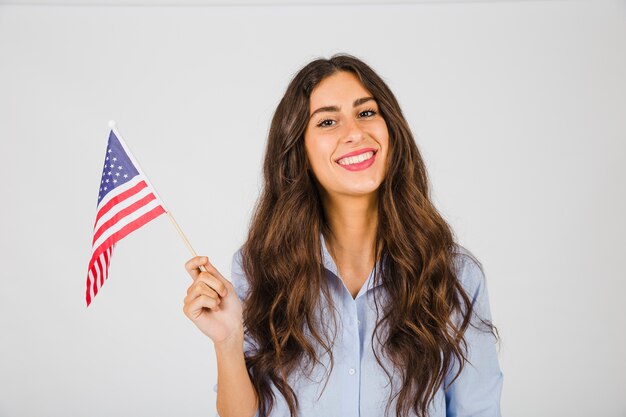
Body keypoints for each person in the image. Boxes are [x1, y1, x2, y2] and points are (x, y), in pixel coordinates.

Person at [182, 54, 503, 417]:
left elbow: (478, 409)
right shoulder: (258, 266)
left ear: (392, 131)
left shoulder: (455, 273)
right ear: (299, 150)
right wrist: (228, 342)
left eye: (366, 113)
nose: (354, 132)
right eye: (328, 121)